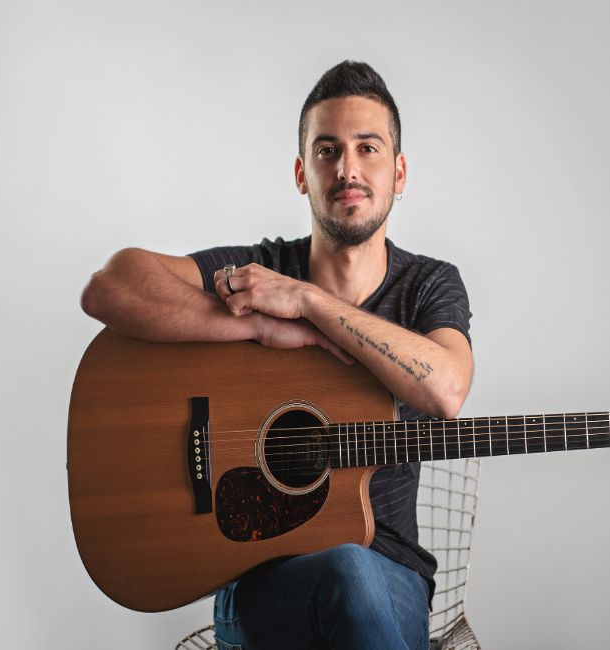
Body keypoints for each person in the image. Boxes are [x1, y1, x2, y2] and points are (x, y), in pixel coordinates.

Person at [81, 60, 474, 650]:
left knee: (356, 575)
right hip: (261, 582)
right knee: (345, 573)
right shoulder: (259, 271)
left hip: (390, 577)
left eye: (368, 149)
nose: (347, 169)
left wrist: (309, 304)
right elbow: (110, 286)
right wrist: (255, 329)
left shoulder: (428, 285)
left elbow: (445, 388)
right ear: (301, 173)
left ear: (399, 172)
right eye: (327, 150)